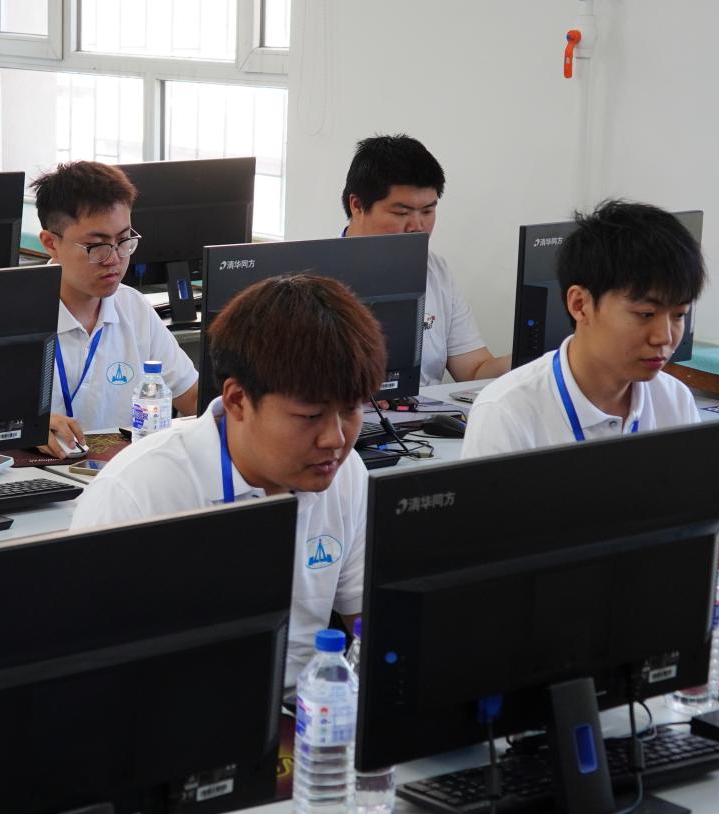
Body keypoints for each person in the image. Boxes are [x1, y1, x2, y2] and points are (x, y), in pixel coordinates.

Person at [462, 200, 719, 581]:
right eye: (646, 314)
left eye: (679, 315)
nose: (665, 336)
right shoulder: (508, 412)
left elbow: (716, 567)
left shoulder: (673, 401)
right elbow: (483, 581)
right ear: (580, 305)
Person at [71, 273, 380, 684]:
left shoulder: (345, 472)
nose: (336, 439)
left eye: (351, 411)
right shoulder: (139, 493)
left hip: (306, 708)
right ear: (237, 400)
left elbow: (370, 625)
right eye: (310, 415)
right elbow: (86, 672)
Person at [35, 161, 200, 456]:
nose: (114, 259)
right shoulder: (13, 315)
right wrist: (25, 425)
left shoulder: (132, 307)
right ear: (51, 243)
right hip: (39, 474)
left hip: (126, 471)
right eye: (96, 246)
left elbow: (194, 399)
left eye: (124, 241)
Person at [339, 134, 509, 385]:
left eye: (428, 211)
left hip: (422, 410)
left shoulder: (436, 271)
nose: (418, 226)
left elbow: (474, 371)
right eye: (401, 213)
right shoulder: (313, 278)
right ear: (357, 205)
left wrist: (542, 358)